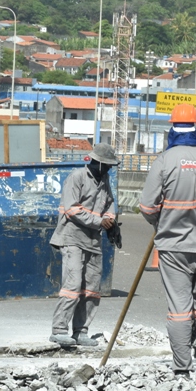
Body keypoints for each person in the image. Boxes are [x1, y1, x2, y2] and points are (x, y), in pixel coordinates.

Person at [140, 104, 196, 389]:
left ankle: (182, 371)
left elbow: (146, 206)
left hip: (174, 248)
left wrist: (162, 223)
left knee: (180, 309)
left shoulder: (165, 161)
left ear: (171, 128)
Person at [49, 142, 118, 347]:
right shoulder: (77, 177)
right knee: (73, 284)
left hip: (92, 241)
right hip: (72, 238)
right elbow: (72, 209)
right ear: (95, 162)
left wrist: (111, 222)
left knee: (91, 289)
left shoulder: (104, 180)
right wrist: (99, 221)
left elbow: (110, 205)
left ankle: (81, 331)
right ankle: (59, 330)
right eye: (105, 165)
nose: (107, 169)